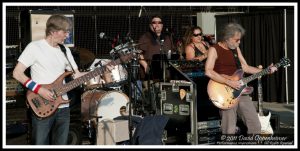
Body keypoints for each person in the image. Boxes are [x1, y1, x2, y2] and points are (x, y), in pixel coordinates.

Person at [13, 14, 85, 145]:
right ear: (53, 32)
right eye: (65, 32)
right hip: (42, 104)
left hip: (63, 106)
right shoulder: (34, 47)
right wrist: (39, 90)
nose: (67, 35)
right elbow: (17, 73)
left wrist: (99, 72)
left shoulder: (65, 50)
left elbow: (76, 75)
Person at [205, 23, 278, 135]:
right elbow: (208, 71)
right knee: (229, 129)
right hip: (225, 92)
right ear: (227, 38)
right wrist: (229, 82)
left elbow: (245, 67)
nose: (239, 42)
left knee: (255, 125)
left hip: (241, 90)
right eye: (237, 40)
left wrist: (266, 70)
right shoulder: (214, 50)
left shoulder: (235, 49)